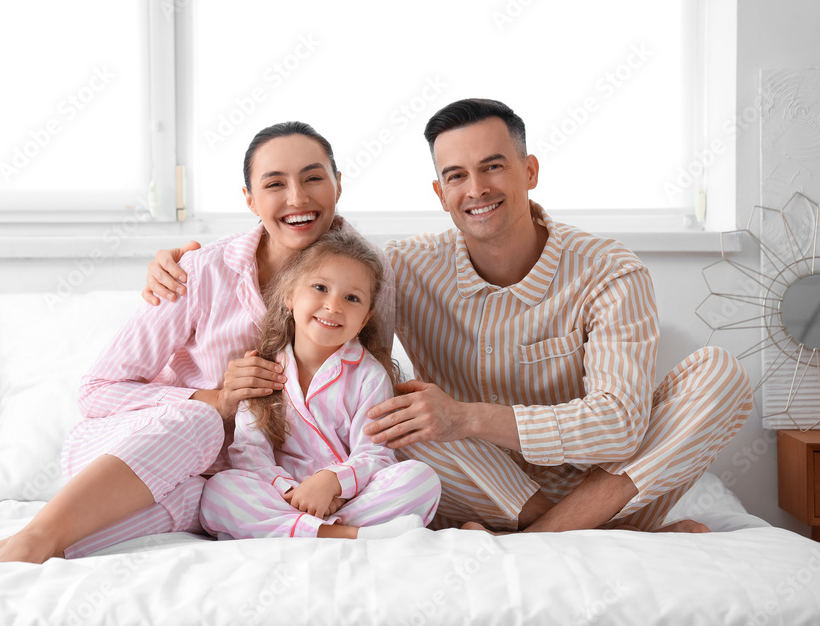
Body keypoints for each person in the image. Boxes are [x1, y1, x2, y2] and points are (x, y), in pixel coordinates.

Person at [143, 99, 754, 535]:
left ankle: (552, 535)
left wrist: (467, 414)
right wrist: (191, 264)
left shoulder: (608, 271)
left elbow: (620, 426)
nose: (476, 188)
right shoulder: (406, 268)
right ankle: (617, 530)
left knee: (721, 375)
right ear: (439, 192)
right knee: (399, 420)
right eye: (455, 175)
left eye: (493, 166)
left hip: (610, 470)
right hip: (480, 479)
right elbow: (320, 275)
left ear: (529, 170)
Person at [0, 121, 396, 570]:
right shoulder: (196, 272)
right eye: (274, 184)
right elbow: (97, 391)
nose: (297, 198)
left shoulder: (366, 280)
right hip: (130, 448)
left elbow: (358, 390)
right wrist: (213, 400)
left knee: (207, 496)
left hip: (226, 474)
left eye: (313, 177)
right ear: (249, 199)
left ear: (338, 184)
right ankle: (34, 538)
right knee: (199, 423)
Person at [200, 231, 441, 539]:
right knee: (219, 492)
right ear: (290, 295)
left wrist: (331, 483)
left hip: (347, 498)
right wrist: (291, 491)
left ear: (365, 319)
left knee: (420, 479)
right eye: (320, 288)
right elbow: (250, 452)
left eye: (351, 298)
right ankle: (344, 535)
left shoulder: (369, 375)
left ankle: (303, 531)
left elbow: (374, 456)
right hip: (283, 497)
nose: (333, 306)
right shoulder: (262, 368)